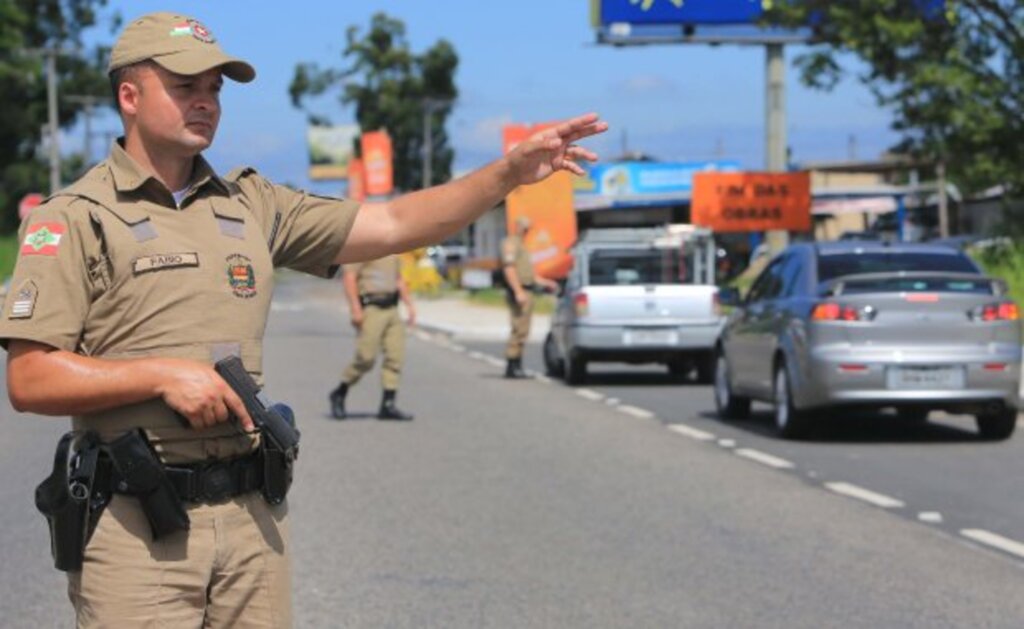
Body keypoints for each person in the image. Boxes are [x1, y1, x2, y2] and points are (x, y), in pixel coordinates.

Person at [0, 11, 605, 628]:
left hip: (251, 520)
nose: (205, 102)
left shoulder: (253, 203)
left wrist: (506, 174)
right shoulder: (74, 217)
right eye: (185, 87)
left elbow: (394, 224)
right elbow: (30, 380)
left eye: (215, 89)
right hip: (137, 526)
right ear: (129, 96)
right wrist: (160, 376)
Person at [329, 254, 415, 420]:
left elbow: (398, 279)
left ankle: (388, 405)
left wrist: (409, 305)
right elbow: (350, 277)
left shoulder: (394, 251)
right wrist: (355, 309)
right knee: (366, 358)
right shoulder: (368, 248)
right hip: (371, 308)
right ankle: (340, 392)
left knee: (395, 357)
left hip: (392, 308)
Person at [501, 216, 558, 378]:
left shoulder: (522, 245)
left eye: (527, 228)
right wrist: (518, 291)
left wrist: (546, 282)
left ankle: (517, 364)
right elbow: (509, 269)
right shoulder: (511, 243)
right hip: (520, 291)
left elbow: (529, 274)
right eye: (524, 228)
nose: (526, 231)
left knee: (524, 329)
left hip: (527, 289)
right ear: (517, 227)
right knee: (518, 328)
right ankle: (512, 365)